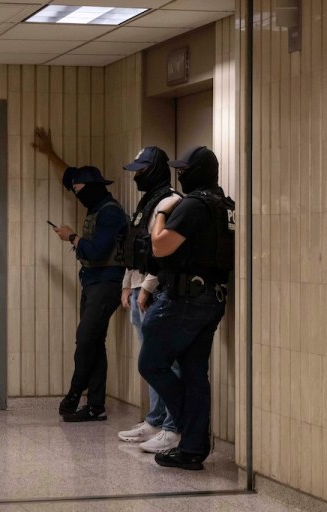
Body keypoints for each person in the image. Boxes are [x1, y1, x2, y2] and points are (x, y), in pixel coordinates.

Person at [139, 145, 234, 470]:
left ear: (196, 173)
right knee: (195, 373)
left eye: (184, 170)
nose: (180, 175)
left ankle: (193, 433)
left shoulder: (193, 204)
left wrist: (162, 213)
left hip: (184, 300)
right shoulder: (226, 205)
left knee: (151, 363)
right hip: (213, 299)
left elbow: (160, 245)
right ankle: (192, 450)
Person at [32, 128, 128, 422]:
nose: (75, 193)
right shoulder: (96, 203)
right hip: (92, 283)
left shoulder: (110, 212)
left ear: (91, 186)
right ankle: (96, 406)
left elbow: (98, 251)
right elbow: (68, 176)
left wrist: (72, 238)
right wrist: (49, 153)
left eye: (78, 190)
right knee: (94, 342)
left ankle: (76, 392)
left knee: (85, 339)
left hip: (107, 283)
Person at [117, 146, 183, 453]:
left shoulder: (171, 201)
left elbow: (164, 254)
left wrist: (146, 287)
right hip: (138, 290)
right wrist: (128, 286)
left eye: (141, 170)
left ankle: (172, 425)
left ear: (155, 169)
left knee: (163, 363)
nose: (137, 177)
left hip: (156, 292)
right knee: (149, 361)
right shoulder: (146, 202)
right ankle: (155, 420)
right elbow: (136, 248)